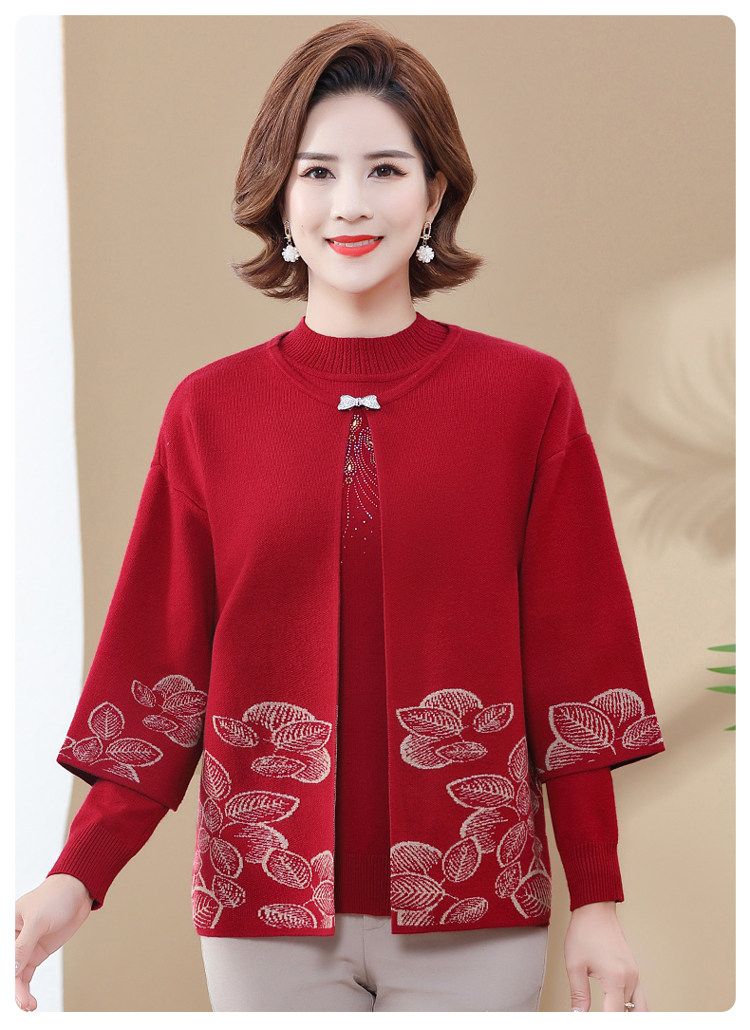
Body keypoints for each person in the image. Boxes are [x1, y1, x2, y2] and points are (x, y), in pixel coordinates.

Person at [15, 19, 665, 1013]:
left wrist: (599, 902)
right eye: (316, 172)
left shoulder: (528, 398)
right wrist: (78, 873)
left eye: (385, 170)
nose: (350, 203)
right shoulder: (208, 410)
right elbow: (161, 666)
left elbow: (574, 666)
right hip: (261, 915)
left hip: (477, 907)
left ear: (434, 193)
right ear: (280, 196)